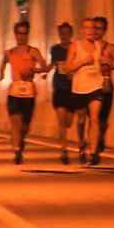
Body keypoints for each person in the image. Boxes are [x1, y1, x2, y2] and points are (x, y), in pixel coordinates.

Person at [0, 21, 49, 164]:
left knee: (25, 126)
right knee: (15, 122)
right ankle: (17, 151)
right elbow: (3, 63)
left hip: (28, 91)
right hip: (14, 91)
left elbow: (44, 66)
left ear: (27, 34)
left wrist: (34, 70)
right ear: (15, 34)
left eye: (24, 33)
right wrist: (1, 73)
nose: (21, 36)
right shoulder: (10, 52)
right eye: (19, 33)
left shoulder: (33, 51)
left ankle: (21, 140)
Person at [66, 18, 107, 165]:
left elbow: (102, 64)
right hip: (80, 88)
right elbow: (67, 68)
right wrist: (83, 62)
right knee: (82, 120)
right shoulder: (75, 46)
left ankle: (93, 152)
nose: (90, 31)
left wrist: (105, 64)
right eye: (87, 28)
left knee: (95, 118)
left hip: (96, 86)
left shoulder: (99, 45)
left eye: (93, 28)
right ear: (82, 30)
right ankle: (81, 144)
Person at [92, 16, 114, 156]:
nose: (96, 31)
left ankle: (100, 137)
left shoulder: (110, 48)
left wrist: (110, 62)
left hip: (105, 85)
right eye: (94, 27)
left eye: (99, 28)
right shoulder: (87, 47)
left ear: (104, 30)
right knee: (93, 117)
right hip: (90, 85)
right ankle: (93, 146)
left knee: (102, 118)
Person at [48, 21, 76, 164]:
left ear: (71, 34)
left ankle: (64, 145)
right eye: (61, 34)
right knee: (61, 120)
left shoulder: (75, 48)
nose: (64, 36)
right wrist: (44, 71)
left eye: (66, 33)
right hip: (59, 87)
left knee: (68, 121)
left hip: (72, 88)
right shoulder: (55, 49)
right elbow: (52, 64)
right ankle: (63, 150)